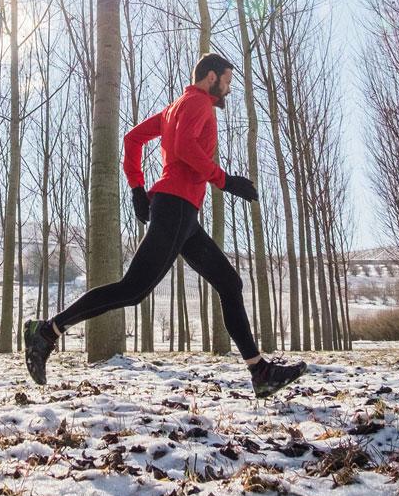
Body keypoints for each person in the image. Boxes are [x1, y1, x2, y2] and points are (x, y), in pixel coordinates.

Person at [22, 52, 308, 399]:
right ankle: (47, 331)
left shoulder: (176, 107)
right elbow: (186, 146)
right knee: (133, 289)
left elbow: (132, 139)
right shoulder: (199, 104)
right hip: (175, 207)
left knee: (230, 283)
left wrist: (138, 189)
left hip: (181, 213)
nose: (229, 89)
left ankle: (260, 372)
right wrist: (224, 181)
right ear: (211, 77)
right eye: (228, 81)